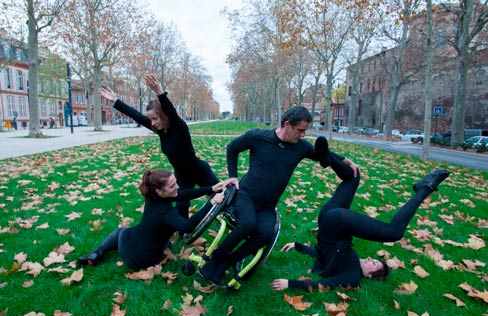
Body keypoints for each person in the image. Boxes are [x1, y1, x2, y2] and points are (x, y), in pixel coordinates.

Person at [200, 105, 360, 285]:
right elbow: (232, 148)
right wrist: (232, 176)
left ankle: (226, 264)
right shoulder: (258, 136)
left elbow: (324, 154)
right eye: (300, 130)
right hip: (246, 195)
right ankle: (215, 259)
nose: (303, 135)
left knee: (266, 233)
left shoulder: (300, 147)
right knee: (247, 224)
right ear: (287, 124)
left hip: (267, 206)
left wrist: (347, 161)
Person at [270, 169, 450, 291]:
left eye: (374, 264)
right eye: (375, 260)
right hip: (328, 219)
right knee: (353, 175)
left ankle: (424, 188)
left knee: (394, 232)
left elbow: (324, 284)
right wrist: (297, 245)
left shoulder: (352, 276)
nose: (372, 258)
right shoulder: (346, 265)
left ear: (370, 275)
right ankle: (325, 157)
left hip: (335, 221)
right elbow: (321, 253)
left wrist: (290, 283)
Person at [98, 74, 219, 218]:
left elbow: (171, 112)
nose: (153, 123)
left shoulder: (180, 128)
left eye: (155, 118)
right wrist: (116, 101)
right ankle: (185, 233)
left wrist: (159, 91)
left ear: (164, 116)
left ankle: (232, 220)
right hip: (182, 176)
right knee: (181, 205)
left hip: (199, 171)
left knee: (220, 195)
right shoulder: (161, 132)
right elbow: (137, 116)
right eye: (150, 119)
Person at [78, 169, 236, 270]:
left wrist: (211, 189)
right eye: (172, 186)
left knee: (124, 232)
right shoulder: (166, 213)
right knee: (123, 231)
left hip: (140, 253)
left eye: (176, 184)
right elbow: (187, 227)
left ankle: (97, 253)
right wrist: (211, 202)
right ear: (160, 191)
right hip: (147, 258)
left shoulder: (152, 198)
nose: (177, 188)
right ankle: (99, 252)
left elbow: (182, 194)